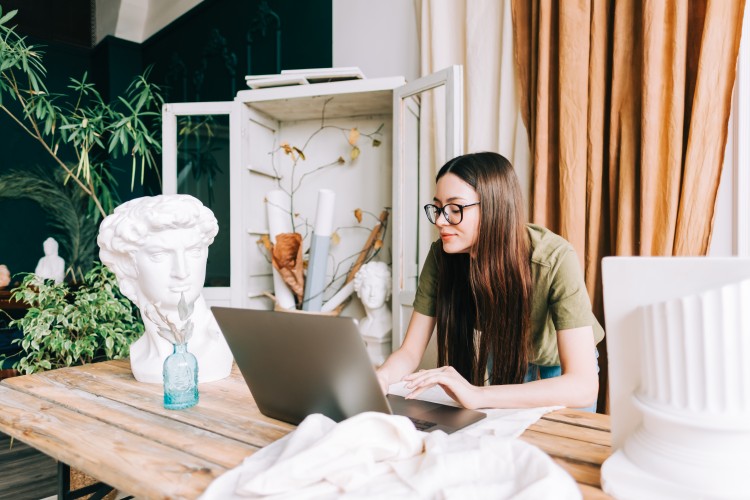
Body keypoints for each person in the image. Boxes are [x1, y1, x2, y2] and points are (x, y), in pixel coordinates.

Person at [376, 152, 604, 412]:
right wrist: (380, 377)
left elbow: (583, 384)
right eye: (438, 208)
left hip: (561, 372)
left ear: (494, 207)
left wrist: (478, 395)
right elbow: (409, 353)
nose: (440, 220)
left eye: (455, 209)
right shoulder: (442, 257)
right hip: (508, 357)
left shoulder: (553, 258)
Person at [97, 194, 233, 384]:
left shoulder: (220, 341)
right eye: (159, 255)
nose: (182, 271)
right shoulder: (140, 353)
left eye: (194, 251)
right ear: (128, 264)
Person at [353, 261, 392, 340]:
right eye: (367, 287)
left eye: (378, 288)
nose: (372, 294)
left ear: (387, 292)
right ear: (359, 290)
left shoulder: (391, 324)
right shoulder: (362, 324)